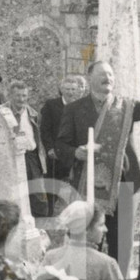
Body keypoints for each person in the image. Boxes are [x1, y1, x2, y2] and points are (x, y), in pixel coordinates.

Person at [54, 60, 140, 262]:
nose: (108, 78)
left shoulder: (127, 106)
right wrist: (76, 152)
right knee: (87, 235)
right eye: (102, 74)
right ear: (89, 78)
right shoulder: (74, 109)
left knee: (121, 239)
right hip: (88, 182)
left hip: (123, 182)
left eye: (111, 75)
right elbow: (60, 145)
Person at [0, 80, 46, 217]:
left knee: (37, 190)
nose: (21, 99)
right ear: (10, 95)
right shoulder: (2, 112)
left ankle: (38, 223)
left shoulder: (32, 113)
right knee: (14, 191)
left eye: (24, 96)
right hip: (11, 156)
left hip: (31, 156)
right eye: (17, 96)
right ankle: (15, 220)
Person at [40, 76, 83, 214]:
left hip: (73, 152)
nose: (70, 92)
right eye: (67, 89)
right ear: (61, 90)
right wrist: (49, 148)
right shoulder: (51, 105)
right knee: (53, 184)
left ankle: (74, 212)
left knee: (74, 184)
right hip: (56, 153)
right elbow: (44, 129)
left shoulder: (80, 105)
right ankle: (50, 212)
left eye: (73, 89)